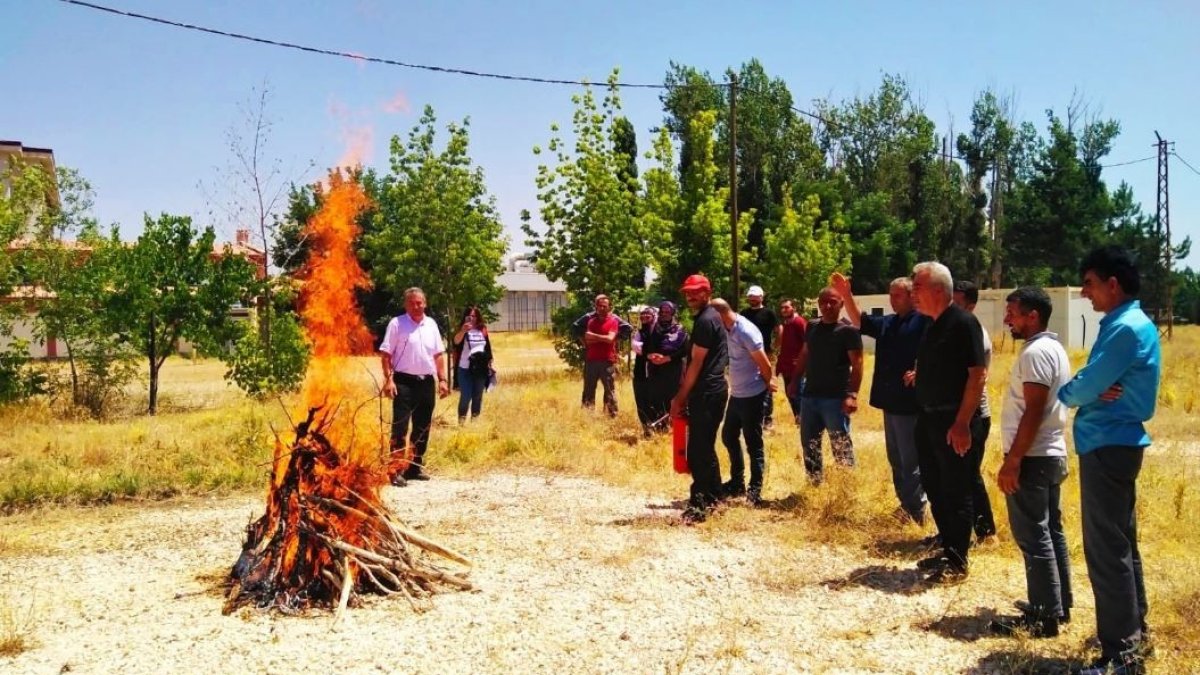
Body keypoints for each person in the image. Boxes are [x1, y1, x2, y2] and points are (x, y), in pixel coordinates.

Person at [1058, 246, 1160, 675]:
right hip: (1118, 443)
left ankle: (1121, 655)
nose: (1085, 293)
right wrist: (1091, 385)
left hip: (1107, 443)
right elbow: (1095, 382)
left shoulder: (1123, 329)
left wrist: (1074, 390)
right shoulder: (1133, 323)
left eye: (1090, 283)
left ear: (1112, 284)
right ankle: (1135, 635)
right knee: (1121, 543)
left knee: (1106, 550)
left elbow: (1081, 388)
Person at [988, 287, 1073, 639]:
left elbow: (1034, 409)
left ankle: (1043, 616)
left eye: (1013, 313)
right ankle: (1058, 604)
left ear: (1033, 315)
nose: (1007, 319)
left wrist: (1013, 461)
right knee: (1050, 531)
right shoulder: (1054, 348)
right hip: (1049, 454)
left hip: (1033, 457)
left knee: (1033, 535)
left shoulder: (1036, 353)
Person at [909, 262, 987, 584]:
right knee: (934, 486)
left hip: (955, 421)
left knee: (956, 490)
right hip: (929, 420)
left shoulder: (964, 323)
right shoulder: (932, 325)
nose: (913, 294)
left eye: (918, 287)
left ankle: (958, 562)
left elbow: (977, 376)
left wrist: (962, 423)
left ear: (938, 290)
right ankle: (948, 547)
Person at [832, 273, 930, 525]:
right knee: (896, 459)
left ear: (912, 296)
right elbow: (860, 321)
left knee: (911, 461)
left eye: (897, 295)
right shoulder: (889, 322)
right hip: (890, 402)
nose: (892, 299)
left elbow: (937, 352)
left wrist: (922, 370)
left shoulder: (924, 321)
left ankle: (917, 511)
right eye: (890, 295)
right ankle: (905, 505)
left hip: (910, 404)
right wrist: (846, 295)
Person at [670, 275, 729, 525]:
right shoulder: (709, 317)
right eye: (687, 292)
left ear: (707, 292)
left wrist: (680, 397)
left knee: (698, 450)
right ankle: (715, 497)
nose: (690, 296)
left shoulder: (706, 320)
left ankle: (700, 505)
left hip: (707, 391)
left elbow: (696, 362)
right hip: (710, 391)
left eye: (696, 292)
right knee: (704, 447)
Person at [379, 287, 450, 485]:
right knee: (400, 427)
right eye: (412, 303)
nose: (416, 306)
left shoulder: (431, 324)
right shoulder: (397, 324)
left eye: (419, 303)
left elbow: (438, 355)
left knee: (422, 427)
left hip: (426, 382)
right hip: (403, 382)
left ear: (425, 304)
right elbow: (386, 355)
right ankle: (395, 471)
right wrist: (389, 380)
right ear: (405, 305)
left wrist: (442, 380)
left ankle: (414, 467)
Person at [711, 298, 777, 505]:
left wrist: (767, 386)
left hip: (753, 395)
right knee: (728, 436)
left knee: (753, 443)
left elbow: (765, 364)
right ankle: (737, 483)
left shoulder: (746, 331)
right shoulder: (727, 329)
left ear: (720, 315)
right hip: (737, 394)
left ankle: (754, 491)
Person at [794, 286, 863, 482]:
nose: (828, 306)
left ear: (841, 304)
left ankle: (845, 486)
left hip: (835, 399)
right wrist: (795, 380)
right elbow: (805, 354)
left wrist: (852, 395)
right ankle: (814, 483)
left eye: (833, 302)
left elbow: (858, 364)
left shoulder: (848, 331)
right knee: (809, 443)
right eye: (823, 302)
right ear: (819, 304)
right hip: (810, 397)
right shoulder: (812, 326)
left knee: (840, 444)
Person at [953, 280, 998, 542]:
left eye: (957, 303)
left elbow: (975, 378)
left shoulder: (974, 333)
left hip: (974, 415)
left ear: (971, 306)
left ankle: (986, 531)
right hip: (959, 414)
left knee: (969, 474)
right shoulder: (954, 330)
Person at [643, 301, 689, 431]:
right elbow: (645, 348)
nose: (664, 314)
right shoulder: (653, 328)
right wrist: (651, 356)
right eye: (662, 312)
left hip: (673, 370)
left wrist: (667, 358)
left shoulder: (680, 329)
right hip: (656, 370)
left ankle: (675, 430)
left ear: (673, 313)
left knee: (673, 398)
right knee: (656, 398)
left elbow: (685, 350)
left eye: (667, 312)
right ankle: (659, 429)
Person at [741, 285, 780, 428]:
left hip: (765, 353)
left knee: (767, 382)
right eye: (750, 296)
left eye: (755, 296)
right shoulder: (744, 313)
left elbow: (779, 329)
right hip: (747, 354)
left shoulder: (769, 313)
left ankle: (767, 418)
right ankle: (750, 415)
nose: (752, 298)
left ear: (761, 297)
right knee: (748, 382)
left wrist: (775, 347)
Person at [576, 294, 621, 417]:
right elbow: (588, 339)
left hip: (607, 361)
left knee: (609, 389)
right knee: (588, 388)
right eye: (599, 306)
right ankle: (587, 414)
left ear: (609, 307)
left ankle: (611, 415)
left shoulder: (613, 321)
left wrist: (596, 337)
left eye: (605, 306)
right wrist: (604, 338)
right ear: (596, 307)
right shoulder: (591, 321)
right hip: (591, 360)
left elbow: (610, 339)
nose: (602, 308)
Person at [451, 306, 494, 425]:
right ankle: (461, 422)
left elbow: (487, 347)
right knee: (466, 396)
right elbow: (455, 342)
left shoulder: (482, 329)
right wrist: (463, 331)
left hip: (480, 368)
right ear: (465, 317)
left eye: (474, 316)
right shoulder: (463, 329)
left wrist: (490, 363)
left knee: (477, 396)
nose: (472, 318)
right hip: (465, 368)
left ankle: (474, 422)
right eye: (469, 316)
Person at [775, 299, 808, 424]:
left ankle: (804, 421)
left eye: (786, 307)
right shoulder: (786, 324)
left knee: (798, 394)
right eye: (782, 308)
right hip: (786, 366)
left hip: (797, 367)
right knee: (790, 394)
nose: (783, 310)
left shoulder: (799, 322)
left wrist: (803, 362)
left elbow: (808, 343)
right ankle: (798, 420)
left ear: (794, 308)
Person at [631, 306, 659, 434]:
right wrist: (648, 352)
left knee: (654, 401)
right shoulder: (640, 333)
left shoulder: (660, 332)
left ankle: (658, 428)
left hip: (657, 374)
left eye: (648, 314)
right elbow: (637, 347)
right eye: (642, 314)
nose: (644, 317)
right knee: (641, 401)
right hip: (640, 372)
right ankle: (647, 429)